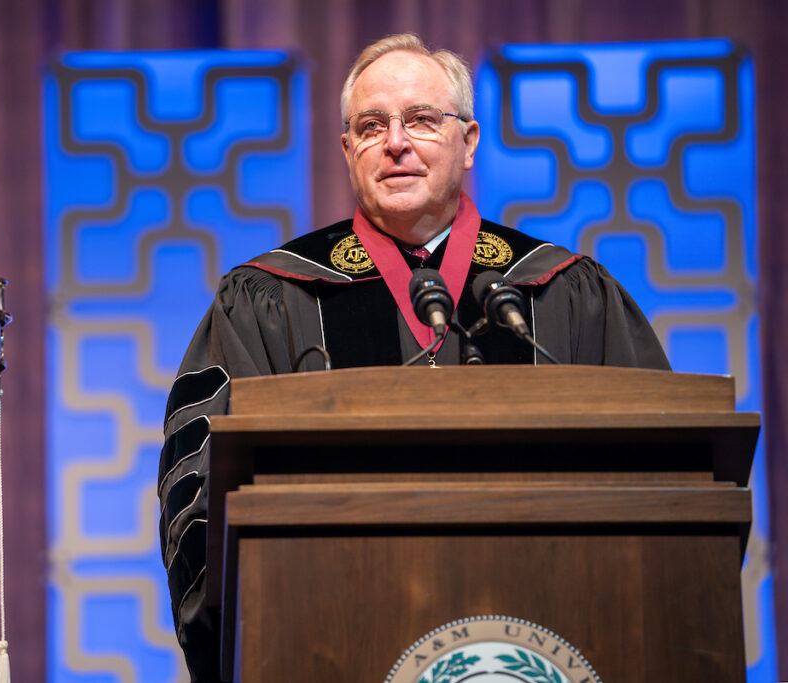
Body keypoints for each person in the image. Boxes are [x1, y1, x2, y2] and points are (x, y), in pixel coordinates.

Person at [158, 33, 669, 681]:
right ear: (349, 151)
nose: (395, 141)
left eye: (422, 120)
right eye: (371, 126)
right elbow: (200, 502)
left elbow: (665, 481)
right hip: (326, 645)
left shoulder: (559, 289)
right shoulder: (269, 298)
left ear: (470, 141)